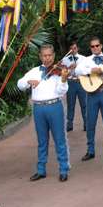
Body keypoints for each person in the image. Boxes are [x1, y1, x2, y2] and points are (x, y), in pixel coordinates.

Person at [17, 45, 70, 182]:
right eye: (44, 56)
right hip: (38, 109)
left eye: (49, 55)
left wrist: (63, 79)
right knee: (42, 141)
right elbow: (20, 84)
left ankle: (63, 169)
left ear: (53, 56)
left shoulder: (59, 71)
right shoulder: (34, 71)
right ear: (40, 57)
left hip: (55, 107)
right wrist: (28, 82)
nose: (47, 58)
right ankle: (41, 170)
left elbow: (61, 91)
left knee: (60, 139)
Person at [76, 37, 103, 162]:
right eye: (92, 46)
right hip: (92, 94)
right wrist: (91, 70)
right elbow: (77, 70)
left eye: (97, 45)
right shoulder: (86, 60)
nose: (95, 48)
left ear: (101, 46)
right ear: (90, 48)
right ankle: (90, 151)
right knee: (90, 123)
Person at [61, 41, 86, 132]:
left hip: (81, 83)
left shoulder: (83, 58)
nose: (73, 50)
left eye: (75, 48)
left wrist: (78, 67)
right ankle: (69, 124)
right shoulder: (65, 60)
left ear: (77, 48)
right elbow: (62, 73)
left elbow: (86, 71)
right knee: (71, 105)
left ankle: (86, 124)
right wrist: (68, 69)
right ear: (69, 50)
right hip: (70, 83)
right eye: (71, 49)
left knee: (84, 104)